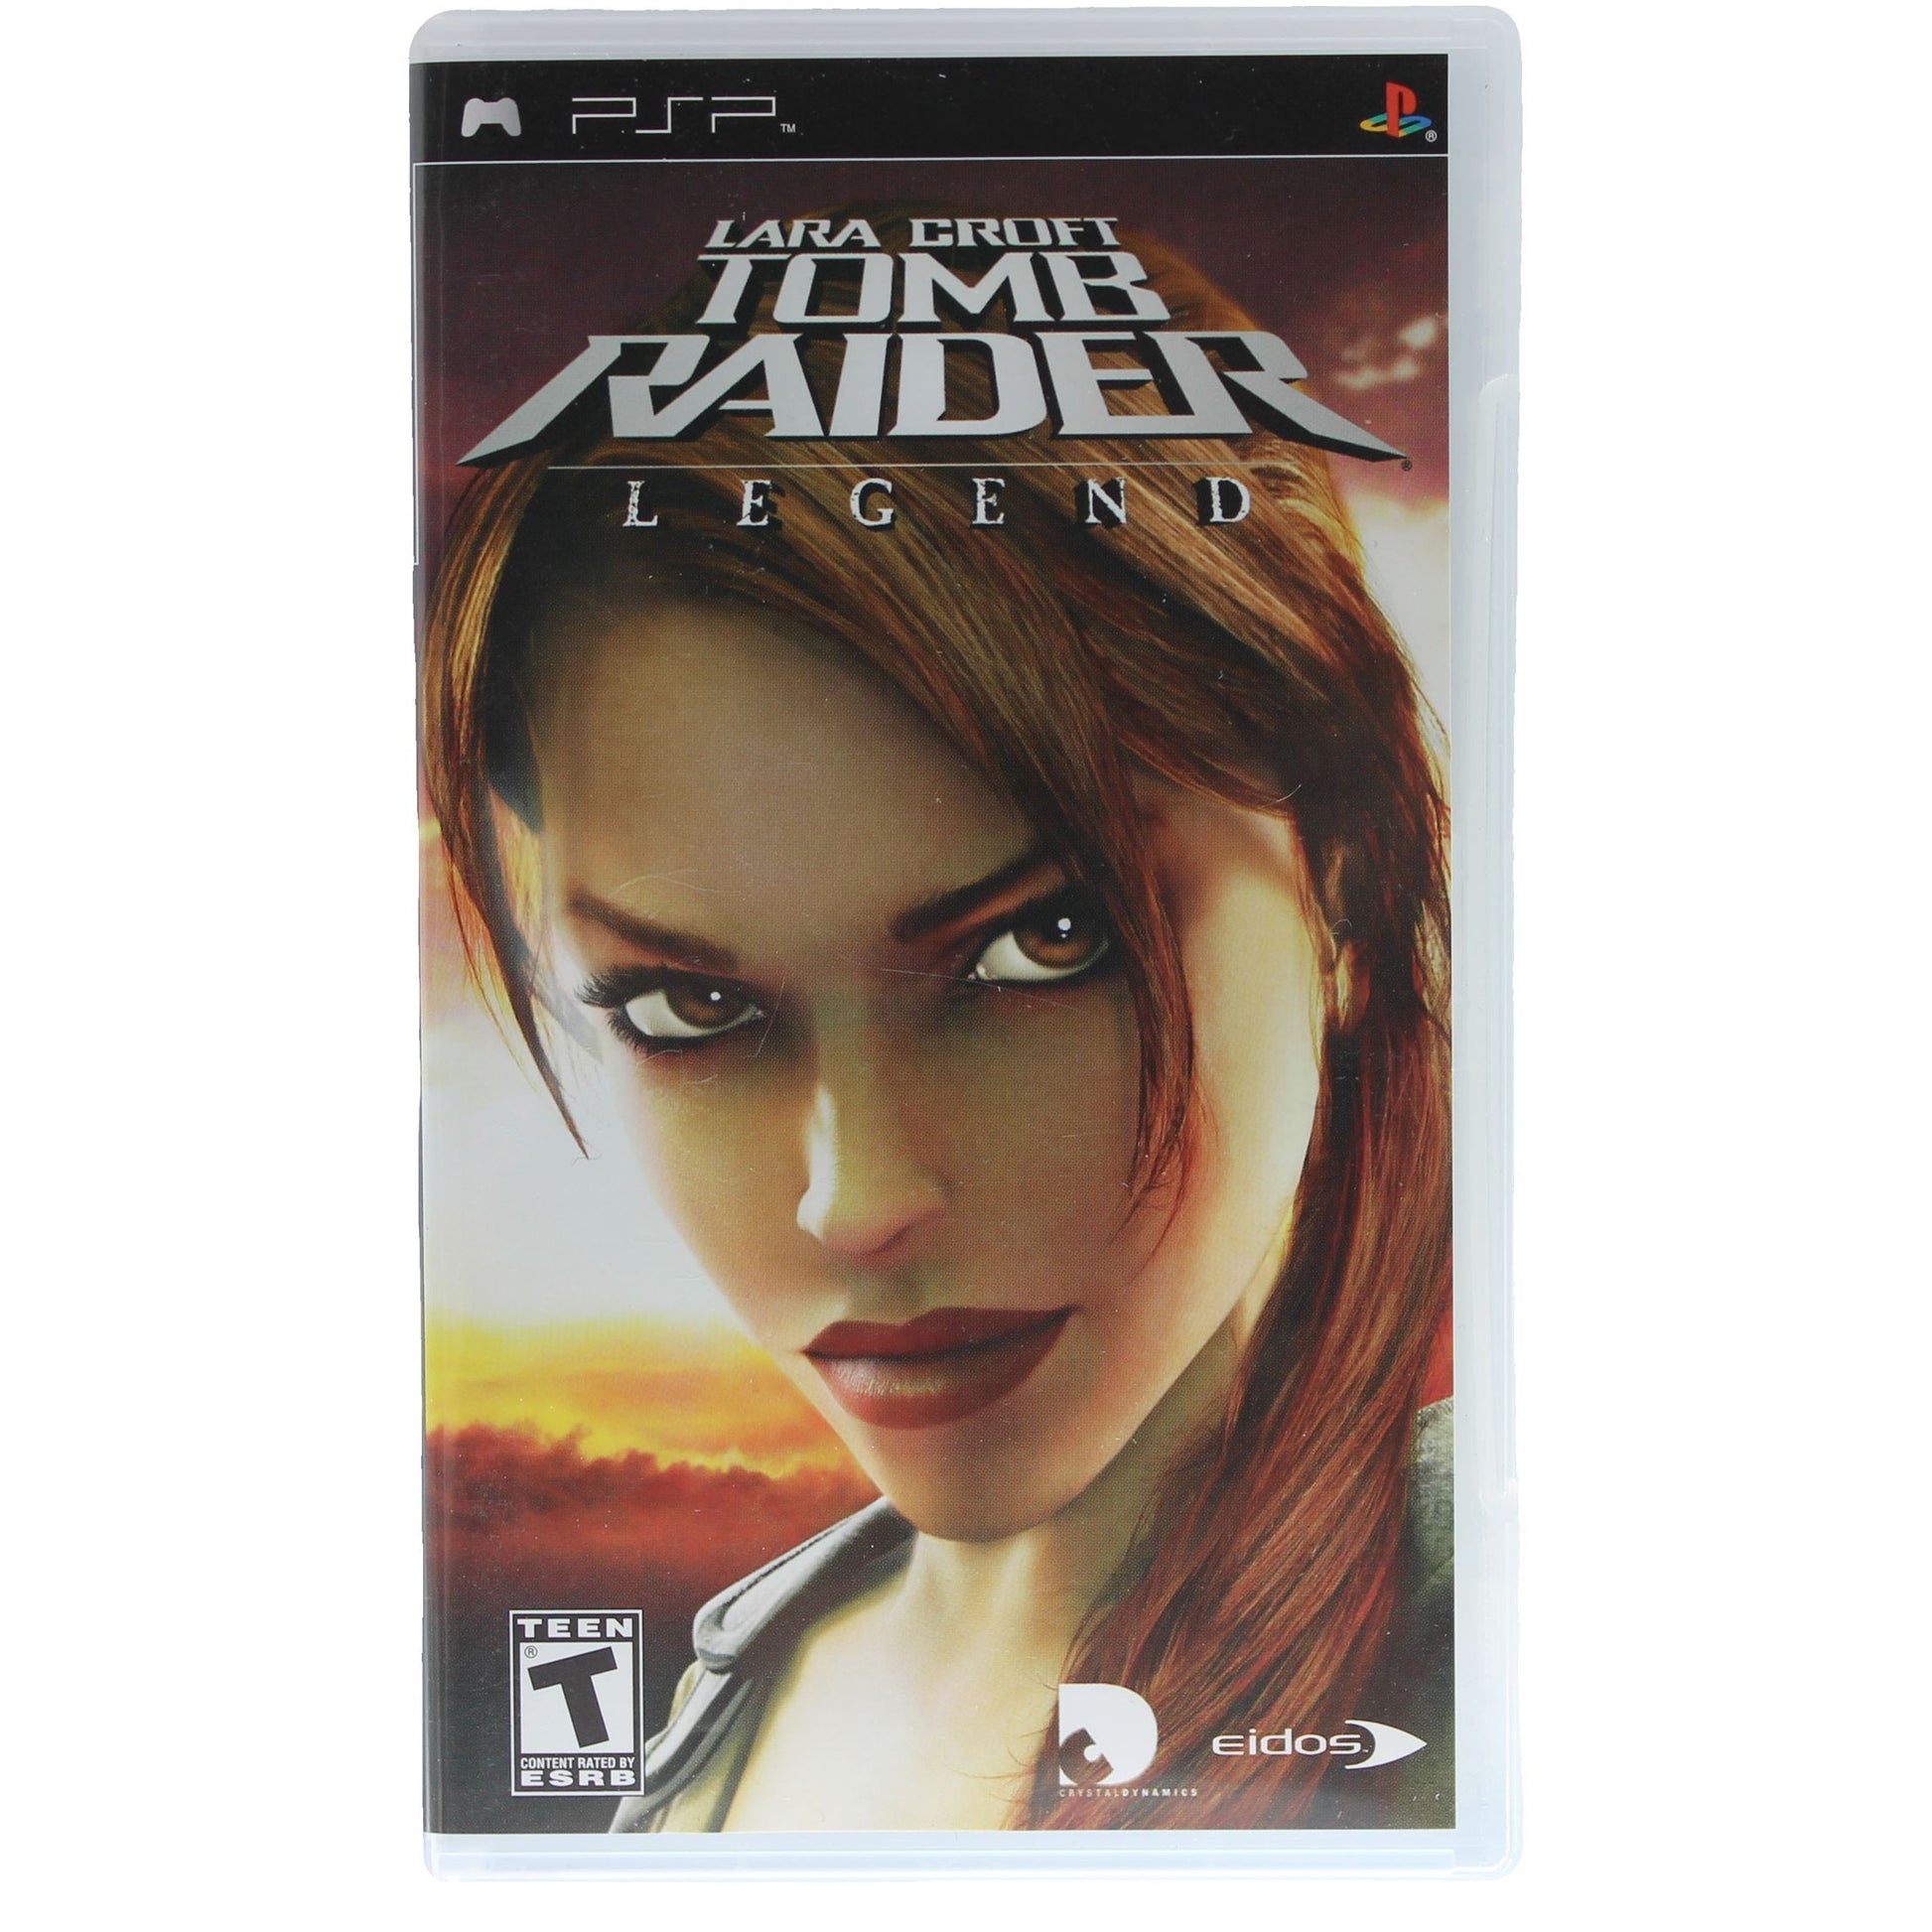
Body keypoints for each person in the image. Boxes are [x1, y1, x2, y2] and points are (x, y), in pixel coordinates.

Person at [421, 221, 1451, 1832]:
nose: (857, 1197)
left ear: (1345, 872)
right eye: (690, 1005)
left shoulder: (1526, 1639)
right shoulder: (720, 1705)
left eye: (1043, 943)